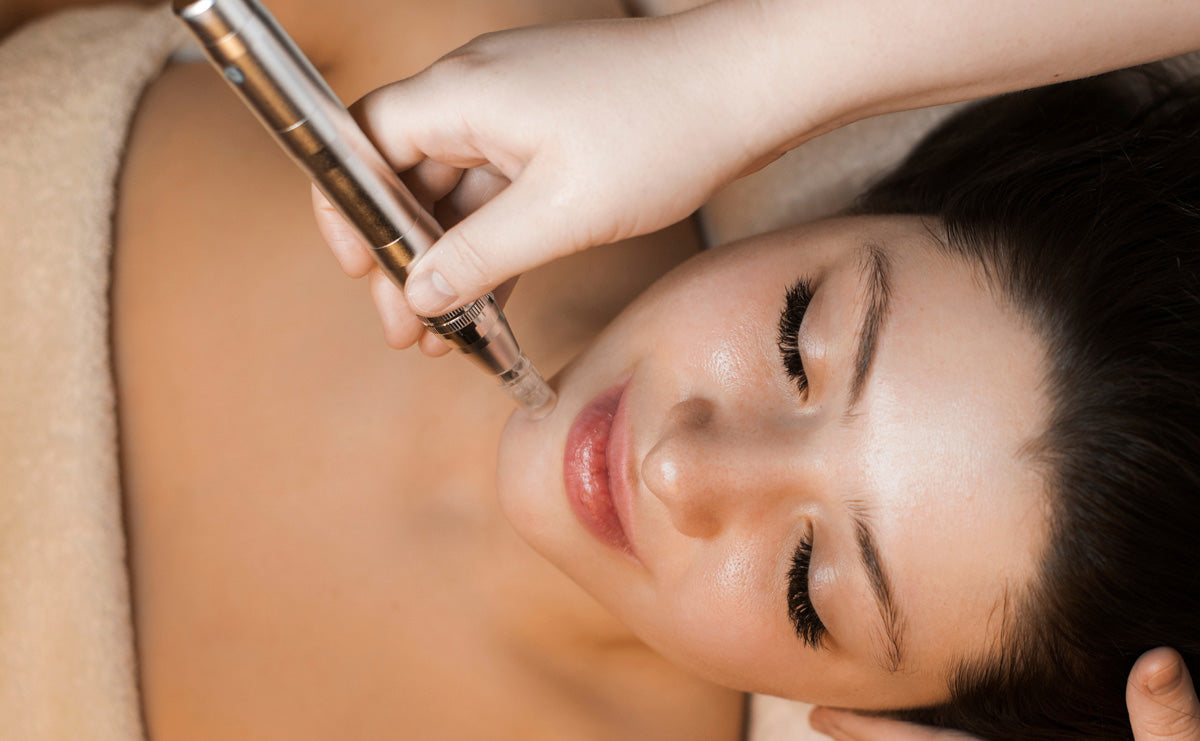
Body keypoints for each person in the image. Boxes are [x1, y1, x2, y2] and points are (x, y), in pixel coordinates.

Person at [3, 1, 1197, 740]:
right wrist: (733, 71)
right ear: (852, 192)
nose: (682, 463)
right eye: (796, 338)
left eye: (806, 584)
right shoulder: (466, 55)